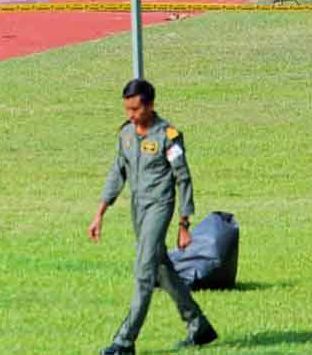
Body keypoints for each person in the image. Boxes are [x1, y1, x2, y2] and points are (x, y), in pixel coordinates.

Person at [87, 78, 217, 354]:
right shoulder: (125, 134)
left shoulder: (167, 136)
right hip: (138, 208)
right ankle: (199, 326)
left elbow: (183, 179)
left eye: (135, 109)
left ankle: (124, 341)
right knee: (161, 268)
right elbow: (117, 173)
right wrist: (100, 213)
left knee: (144, 271)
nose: (131, 115)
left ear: (150, 105)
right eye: (127, 110)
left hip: (160, 207)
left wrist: (184, 223)